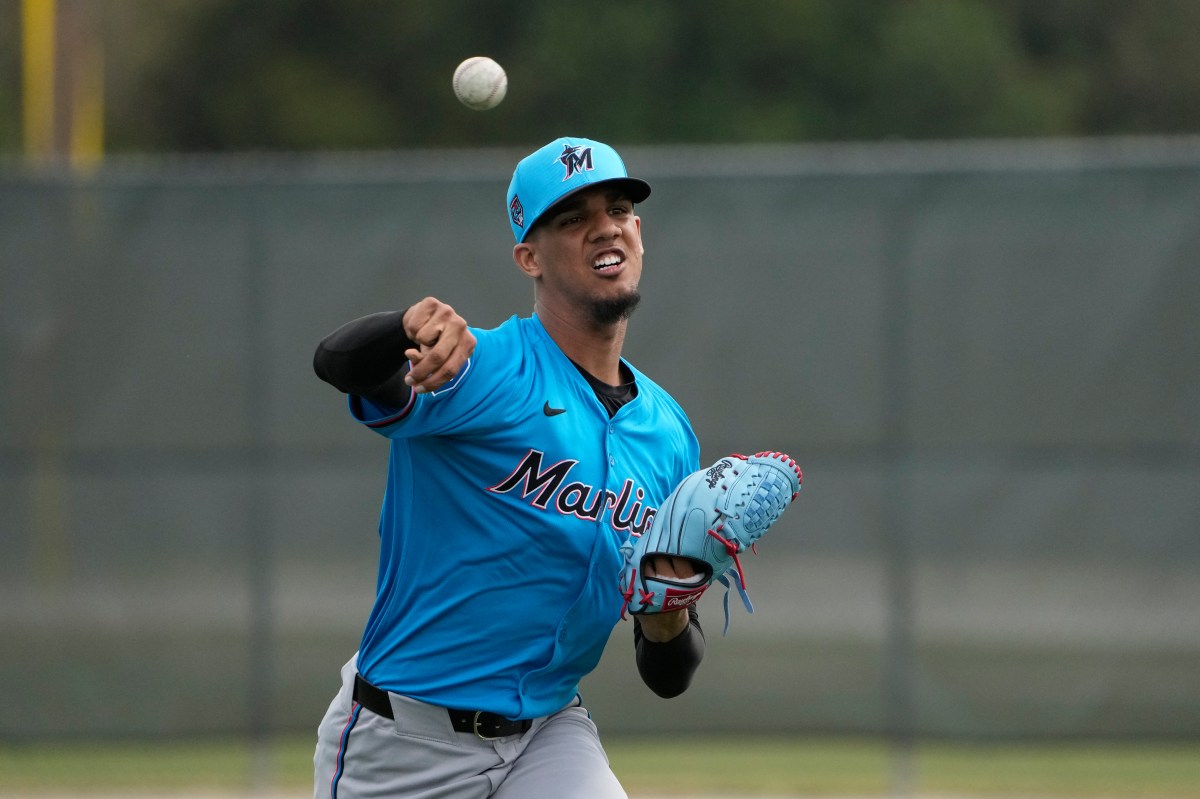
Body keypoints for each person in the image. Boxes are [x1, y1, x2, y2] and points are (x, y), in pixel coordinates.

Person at [311, 137, 705, 799]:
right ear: (529, 256)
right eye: (572, 218)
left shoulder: (668, 437)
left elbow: (669, 671)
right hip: (406, 742)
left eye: (617, 209)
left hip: (547, 735)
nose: (604, 226)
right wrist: (404, 325)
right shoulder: (485, 369)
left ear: (638, 231)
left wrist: (667, 620)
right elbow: (339, 364)